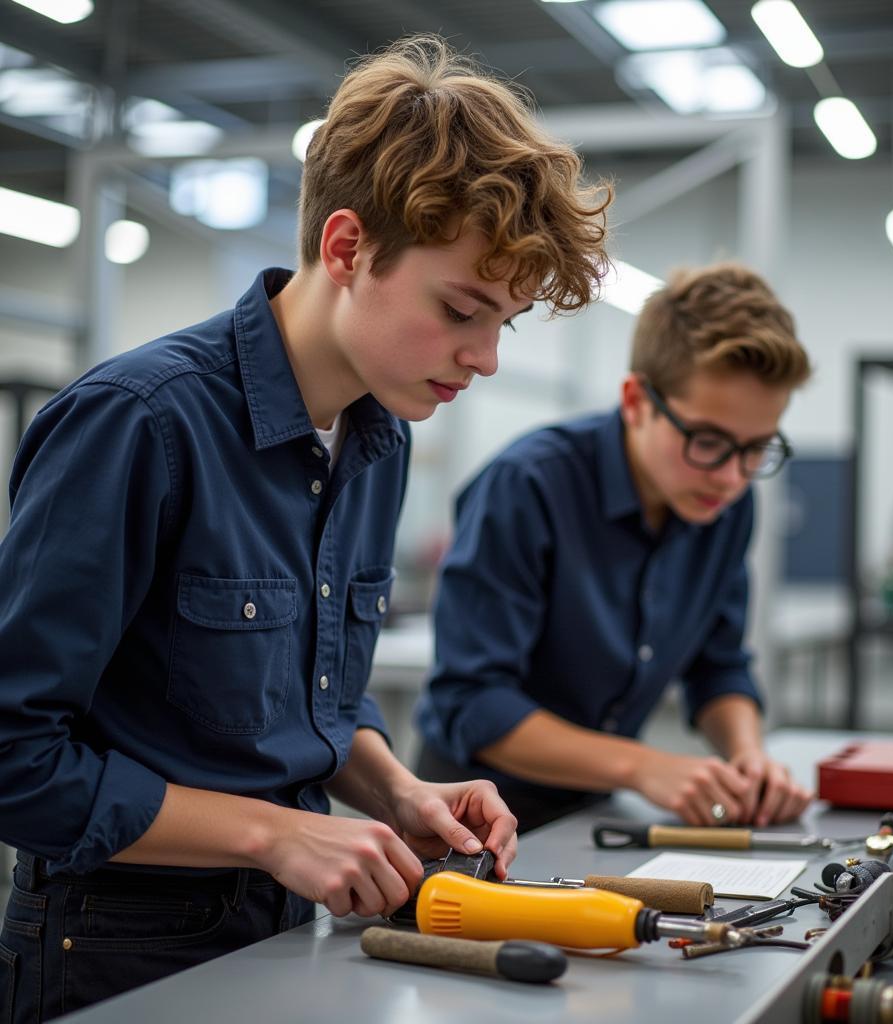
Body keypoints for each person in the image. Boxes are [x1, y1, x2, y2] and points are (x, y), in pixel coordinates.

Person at [0, 36, 611, 1020]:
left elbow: (308, 691)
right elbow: (12, 755)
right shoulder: (141, 424)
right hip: (116, 951)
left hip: (290, 929)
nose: (486, 358)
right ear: (345, 248)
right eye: (462, 309)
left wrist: (396, 790)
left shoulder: (380, 433)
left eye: (504, 322)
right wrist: (270, 832)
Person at [416, 263, 813, 833]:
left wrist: (747, 756)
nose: (731, 477)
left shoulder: (722, 506)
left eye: (756, 449)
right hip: (474, 824)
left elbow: (718, 667)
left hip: (599, 814)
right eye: (708, 441)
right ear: (636, 401)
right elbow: (473, 703)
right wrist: (644, 766)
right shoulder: (528, 487)